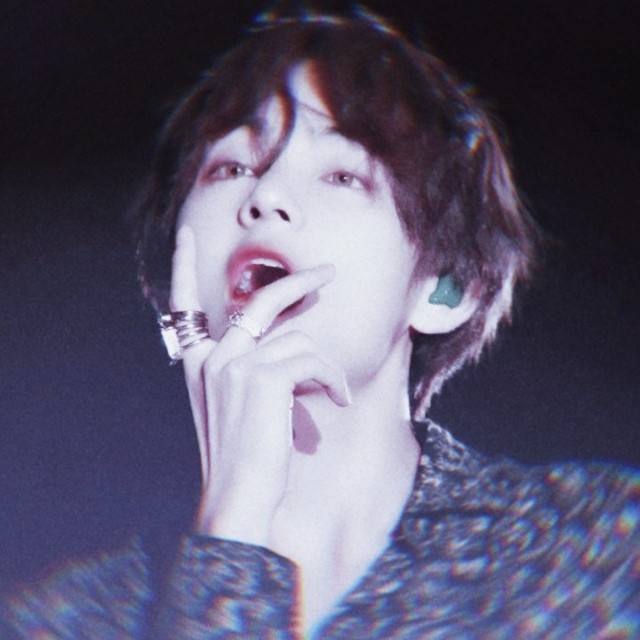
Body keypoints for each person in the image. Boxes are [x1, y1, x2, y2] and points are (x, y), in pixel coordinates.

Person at [2, 8, 639, 639]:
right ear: (173, 285)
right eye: (231, 168)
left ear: (447, 290)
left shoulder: (600, 546)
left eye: (342, 175)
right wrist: (231, 540)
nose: (266, 197)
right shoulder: (60, 620)